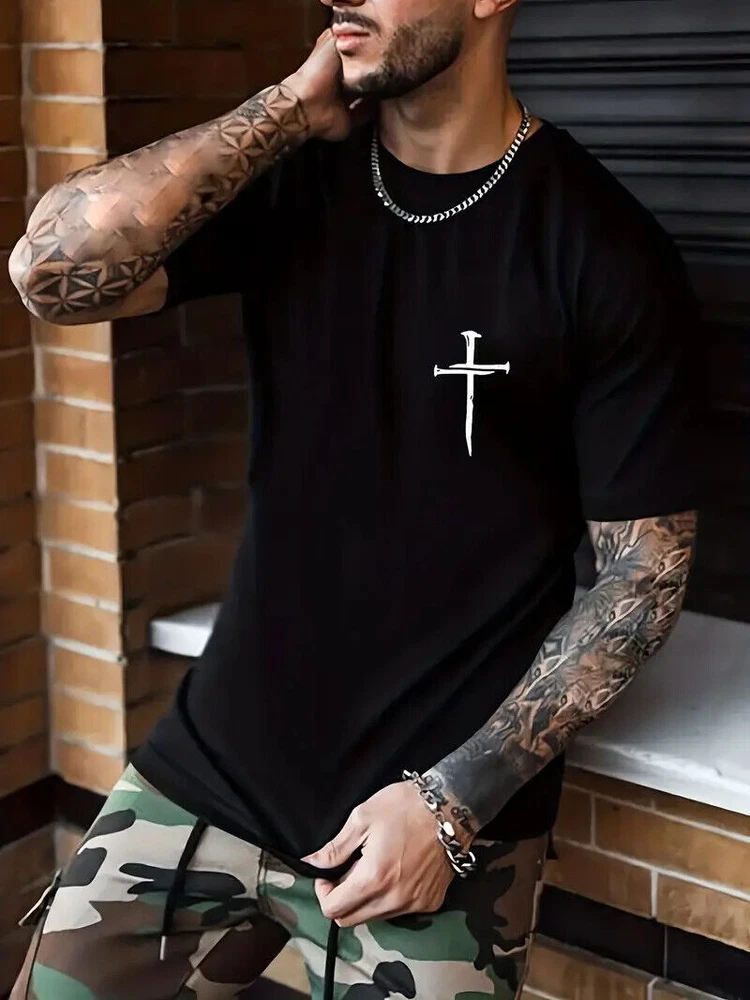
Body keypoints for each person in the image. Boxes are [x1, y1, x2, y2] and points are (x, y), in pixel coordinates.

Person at [9, 0, 702, 997]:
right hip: (212, 765)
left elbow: (642, 577)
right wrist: (288, 108)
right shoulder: (293, 184)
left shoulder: (602, 248)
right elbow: (47, 274)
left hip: (430, 823)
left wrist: (454, 802)